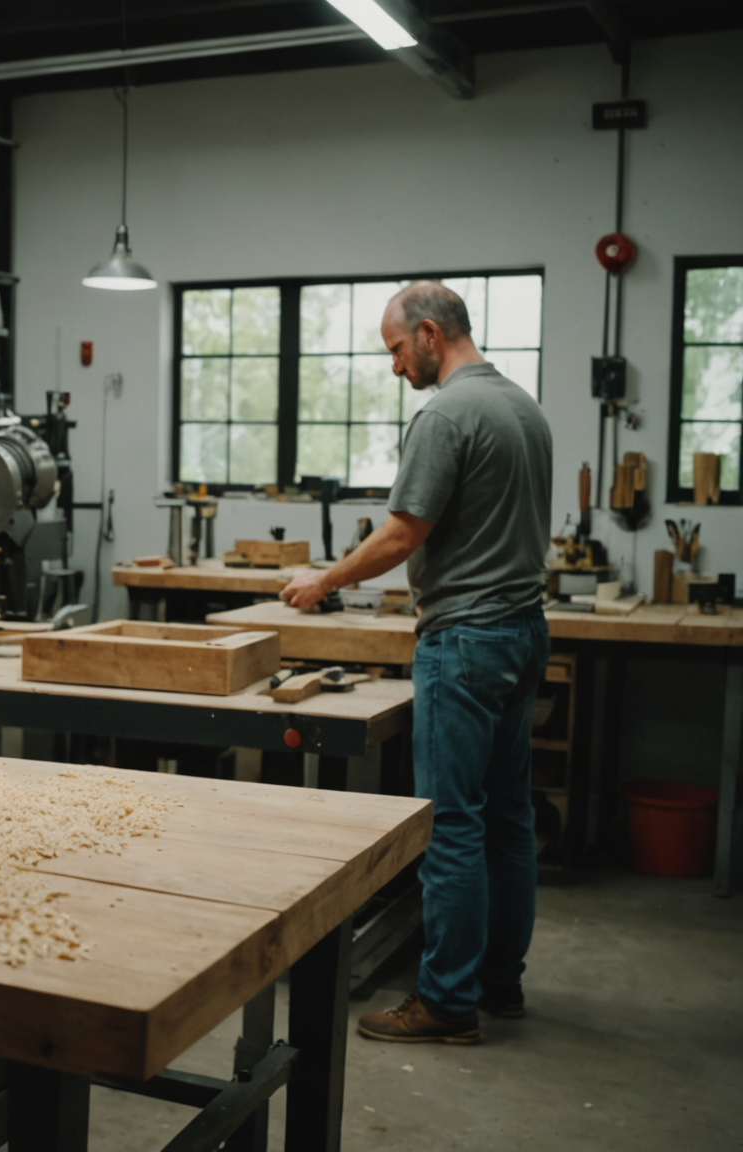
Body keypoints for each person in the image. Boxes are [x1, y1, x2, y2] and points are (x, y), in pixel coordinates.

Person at [281, 280, 552, 1045]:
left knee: (452, 823)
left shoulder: (446, 414)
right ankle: (499, 983)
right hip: (522, 631)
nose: (396, 366)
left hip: (464, 640)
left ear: (430, 334)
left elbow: (403, 533)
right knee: (509, 818)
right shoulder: (523, 408)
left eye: (397, 349)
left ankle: (446, 1003)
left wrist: (323, 580)